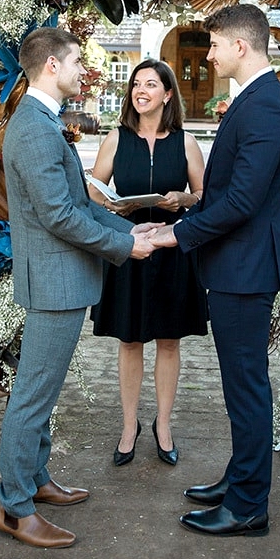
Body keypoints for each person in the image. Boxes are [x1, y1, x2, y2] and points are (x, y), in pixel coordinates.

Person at [0, 27, 158, 549]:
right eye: (74, 62)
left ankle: (36, 481)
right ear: (50, 67)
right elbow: (59, 216)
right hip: (53, 283)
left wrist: (128, 229)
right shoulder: (36, 128)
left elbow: (77, 202)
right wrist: (122, 248)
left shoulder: (42, 121)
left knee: (42, 391)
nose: (81, 70)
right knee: (32, 396)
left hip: (60, 280)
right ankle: (15, 507)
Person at [153, 4, 280, 537]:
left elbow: (240, 200)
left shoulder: (264, 108)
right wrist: (186, 214)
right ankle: (240, 480)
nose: (208, 55)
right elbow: (229, 191)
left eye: (214, 45)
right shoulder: (254, 101)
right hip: (238, 267)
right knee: (241, 386)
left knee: (247, 389)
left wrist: (177, 233)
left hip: (246, 271)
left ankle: (247, 507)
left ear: (241, 46)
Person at [89, 59, 206, 467]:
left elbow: (203, 196)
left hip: (174, 251)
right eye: (136, 84)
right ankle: (128, 426)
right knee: (130, 339)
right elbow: (94, 191)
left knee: (170, 341)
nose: (140, 91)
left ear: (167, 94)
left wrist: (182, 200)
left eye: (150, 85)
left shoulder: (186, 142)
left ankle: (164, 425)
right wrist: (112, 208)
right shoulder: (116, 139)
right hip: (128, 250)